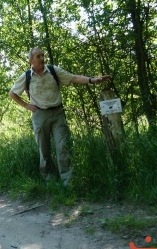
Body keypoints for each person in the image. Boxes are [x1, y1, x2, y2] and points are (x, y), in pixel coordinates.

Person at [9, 47, 112, 187]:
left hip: (58, 114)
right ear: (31, 60)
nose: (42, 58)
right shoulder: (26, 76)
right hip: (39, 115)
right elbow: (13, 93)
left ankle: (67, 182)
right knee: (43, 149)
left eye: (42, 55)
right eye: (38, 56)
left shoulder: (53, 70)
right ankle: (49, 180)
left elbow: (73, 77)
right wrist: (26, 105)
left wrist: (92, 80)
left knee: (63, 146)